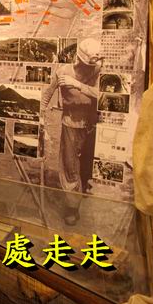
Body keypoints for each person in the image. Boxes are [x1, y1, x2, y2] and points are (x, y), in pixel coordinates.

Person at [40, 38, 102, 225]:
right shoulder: (63, 72)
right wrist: (41, 116)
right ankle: (72, 207)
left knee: (87, 165)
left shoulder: (97, 71)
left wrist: (77, 84)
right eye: (86, 63)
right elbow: (47, 94)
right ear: (78, 58)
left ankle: (83, 189)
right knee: (70, 166)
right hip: (71, 125)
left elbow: (103, 95)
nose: (89, 67)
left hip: (93, 126)